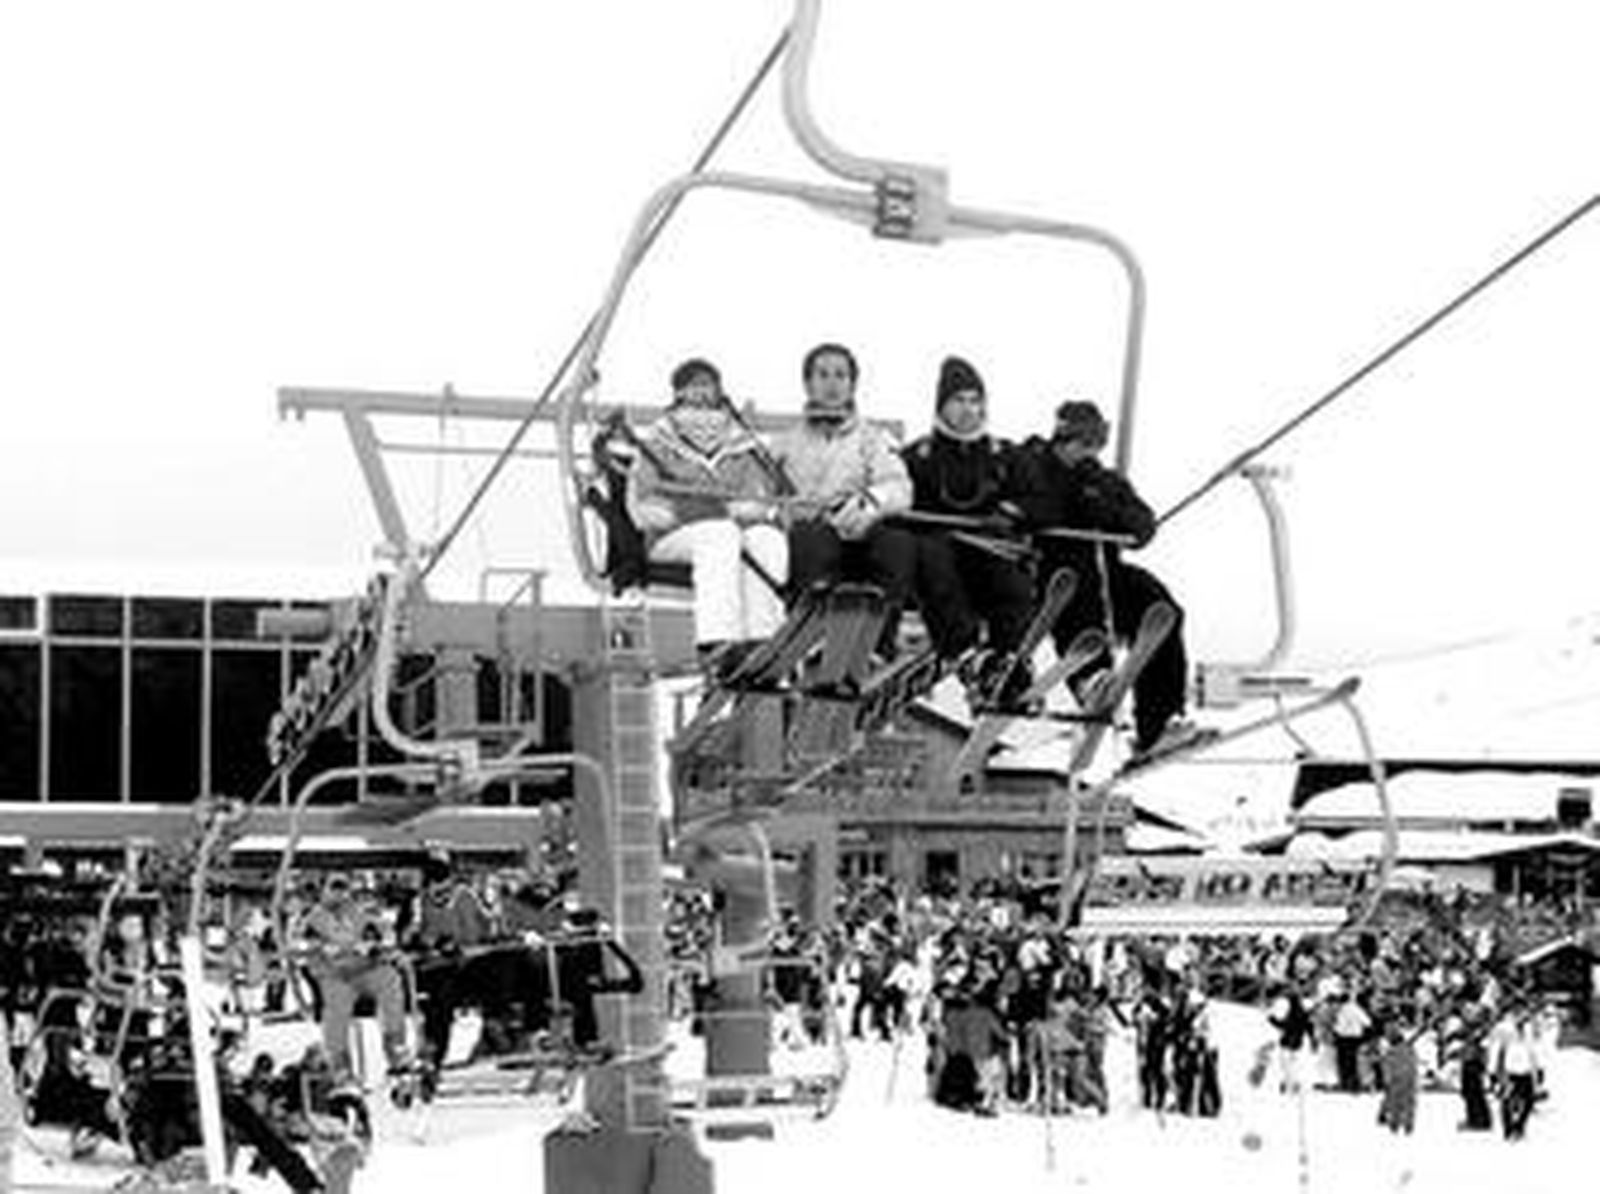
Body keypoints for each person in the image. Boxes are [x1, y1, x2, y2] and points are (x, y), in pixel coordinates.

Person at [1013, 399, 1193, 756]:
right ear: (1061, 439)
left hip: (1105, 569)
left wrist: (1107, 509)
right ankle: (1090, 679)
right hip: (1047, 569)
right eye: (1080, 444)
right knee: (1077, 589)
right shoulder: (1028, 468)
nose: (1087, 453)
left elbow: (1143, 524)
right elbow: (1023, 506)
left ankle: (1157, 722)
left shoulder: (1103, 480)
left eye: (1095, 445)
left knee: (1155, 601)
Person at [627, 357, 790, 666]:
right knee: (718, 533)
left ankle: (763, 638)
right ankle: (718, 640)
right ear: (677, 394)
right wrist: (681, 509)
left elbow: (759, 497)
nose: (701, 395)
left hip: (731, 529)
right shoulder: (658, 444)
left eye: (707, 386)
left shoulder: (741, 446)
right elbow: (642, 505)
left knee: (766, 538)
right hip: (673, 538)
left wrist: (739, 507)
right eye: (692, 388)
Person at [900, 355, 1037, 700]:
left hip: (987, 550)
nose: (968, 409)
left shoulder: (1005, 456)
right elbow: (896, 502)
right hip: (939, 558)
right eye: (958, 400)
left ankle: (1008, 662)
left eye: (975, 400)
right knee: (935, 562)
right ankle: (965, 656)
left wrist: (1011, 511)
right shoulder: (917, 457)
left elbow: (1041, 498)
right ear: (941, 406)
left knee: (1012, 582)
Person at [771, 342, 918, 656]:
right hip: (812, 535)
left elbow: (899, 487)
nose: (832, 383)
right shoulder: (785, 442)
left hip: (858, 533)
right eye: (822, 374)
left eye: (841, 375)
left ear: (853, 384)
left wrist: (868, 505)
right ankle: (815, 638)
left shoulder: (872, 438)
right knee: (811, 538)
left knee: (898, 543)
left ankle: (878, 644)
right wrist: (786, 512)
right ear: (808, 383)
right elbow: (762, 496)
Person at [296, 873, 412, 1089]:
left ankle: (396, 1046)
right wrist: (320, 948)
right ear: (324, 890)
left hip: (365, 970)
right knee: (337, 1007)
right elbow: (301, 943)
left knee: (390, 980)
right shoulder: (313, 918)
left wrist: (373, 945)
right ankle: (340, 1064)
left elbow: (383, 934)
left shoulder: (360, 913)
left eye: (343, 888)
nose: (339, 894)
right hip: (334, 975)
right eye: (334, 887)